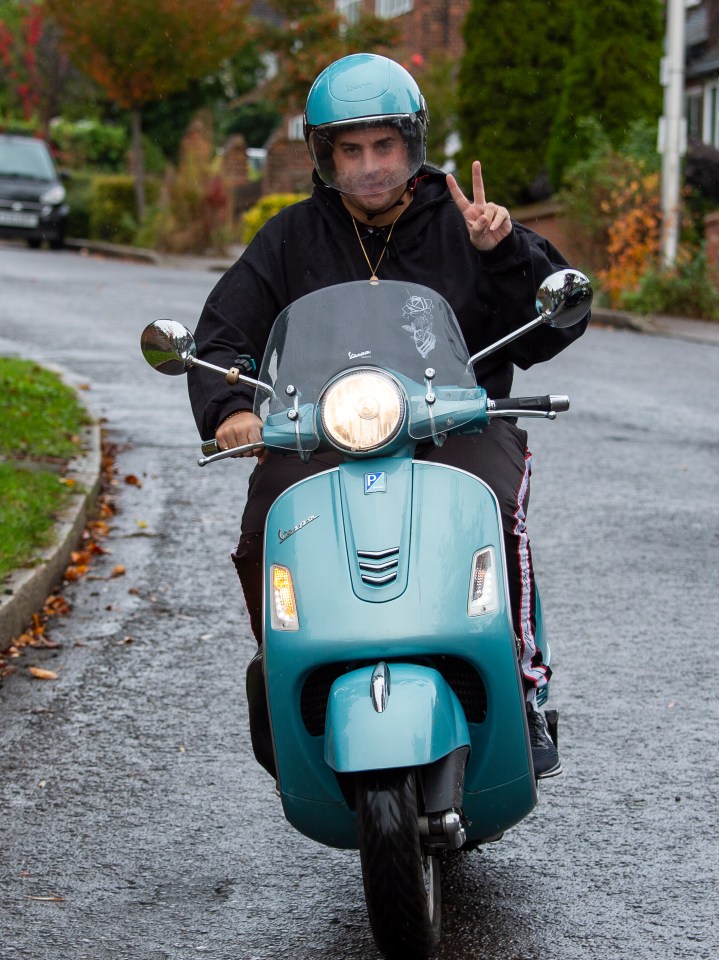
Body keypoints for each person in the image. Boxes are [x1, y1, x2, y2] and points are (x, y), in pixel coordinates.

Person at [188, 53, 589, 779]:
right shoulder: (291, 237)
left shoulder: (466, 224)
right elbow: (223, 333)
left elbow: (551, 326)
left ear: (412, 145)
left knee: (493, 513)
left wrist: (503, 251)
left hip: (457, 423)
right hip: (324, 429)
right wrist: (227, 407)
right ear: (325, 155)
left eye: (384, 146)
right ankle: (290, 678)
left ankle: (523, 690)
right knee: (266, 522)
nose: (370, 165)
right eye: (351, 149)